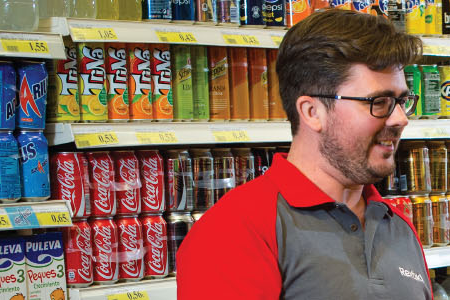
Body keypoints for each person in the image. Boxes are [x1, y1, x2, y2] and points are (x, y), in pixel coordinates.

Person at [176, 9, 430, 299]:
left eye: (402, 101)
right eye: (379, 102)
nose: (400, 119)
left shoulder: (398, 226)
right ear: (312, 112)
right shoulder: (234, 231)